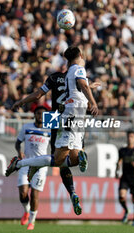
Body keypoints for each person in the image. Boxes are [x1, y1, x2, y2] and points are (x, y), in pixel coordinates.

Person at [5, 46, 98, 215]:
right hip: (73, 116)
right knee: (60, 158)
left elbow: (39, 94)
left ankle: (30, 166)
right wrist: (90, 90)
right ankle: (71, 192)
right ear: (79, 56)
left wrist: (22, 101)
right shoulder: (76, 73)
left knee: (59, 158)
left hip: (56, 116)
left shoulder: (55, 77)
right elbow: (80, 87)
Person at [15, 106, 50, 230]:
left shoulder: (50, 129)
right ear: (34, 114)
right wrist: (19, 152)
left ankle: (32, 221)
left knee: (35, 194)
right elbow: (18, 142)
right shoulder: (26, 127)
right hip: (26, 163)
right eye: (38, 113)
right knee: (23, 193)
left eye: (43, 114)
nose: (40, 116)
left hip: (41, 166)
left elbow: (56, 146)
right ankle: (26, 211)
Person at [115, 130, 134, 226]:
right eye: (129, 136)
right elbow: (119, 162)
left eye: (132, 137)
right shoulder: (122, 150)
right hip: (124, 178)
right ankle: (126, 210)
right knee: (121, 196)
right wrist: (116, 170)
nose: (130, 138)